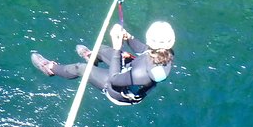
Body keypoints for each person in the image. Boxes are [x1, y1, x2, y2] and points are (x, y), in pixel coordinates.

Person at [31, 21, 175, 105]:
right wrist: (128, 37)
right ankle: (94, 57)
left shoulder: (141, 75)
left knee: (81, 68)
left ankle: (50, 68)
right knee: (101, 49)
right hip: (129, 73)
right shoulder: (166, 53)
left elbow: (114, 79)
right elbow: (144, 50)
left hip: (118, 90)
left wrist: (118, 47)